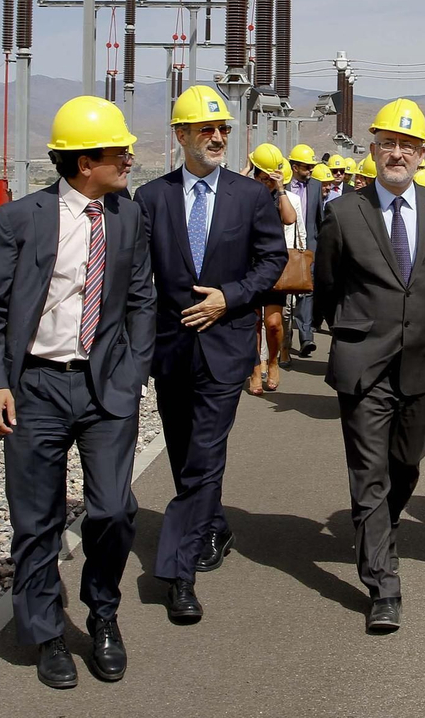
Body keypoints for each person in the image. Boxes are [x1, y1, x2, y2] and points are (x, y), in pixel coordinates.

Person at [0, 96, 154, 689]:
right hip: (36, 388)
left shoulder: (128, 217)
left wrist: (134, 371)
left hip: (106, 389)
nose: (128, 159)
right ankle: (46, 632)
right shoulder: (19, 219)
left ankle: (103, 615)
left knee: (113, 510)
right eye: (118, 152)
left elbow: (142, 299)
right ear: (83, 163)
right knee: (37, 519)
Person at [134, 86, 287, 624]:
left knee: (205, 452)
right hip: (171, 349)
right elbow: (137, 277)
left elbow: (272, 261)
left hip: (225, 347)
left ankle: (178, 572)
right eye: (206, 129)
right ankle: (213, 524)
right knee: (183, 452)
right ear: (181, 135)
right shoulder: (151, 198)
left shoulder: (251, 198)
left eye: (223, 129)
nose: (218, 137)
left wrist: (231, 297)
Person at [314, 98, 425, 633]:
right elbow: (327, 284)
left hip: (422, 359)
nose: (397, 153)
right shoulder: (343, 211)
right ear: (373, 151)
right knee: (368, 471)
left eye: (408, 146)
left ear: (422, 154)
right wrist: (353, 329)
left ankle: (382, 526)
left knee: (407, 462)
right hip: (363, 362)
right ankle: (383, 584)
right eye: (388, 144)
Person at [246, 145, 300, 395]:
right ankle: (255, 369)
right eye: (263, 178)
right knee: (253, 322)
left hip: (272, 265)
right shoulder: (244, 194)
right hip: (247, 265)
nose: (266, 183)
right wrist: (244, 172)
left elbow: (290, 219)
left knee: (274, 323)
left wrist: (280, 188)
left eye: (270, 179)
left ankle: (273, 361)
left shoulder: (278, 196)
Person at [286, 143, 324, 358]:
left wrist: (318, 248)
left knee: (306, 292)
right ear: (294, 167)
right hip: (284, 249)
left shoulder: (316, 186)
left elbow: (319, 220)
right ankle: (284, 342)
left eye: (312, 167)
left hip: (308, 250)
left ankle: (306, 337)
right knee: (284, 295)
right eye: (307, 167)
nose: (311, 170)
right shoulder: (282, 185)